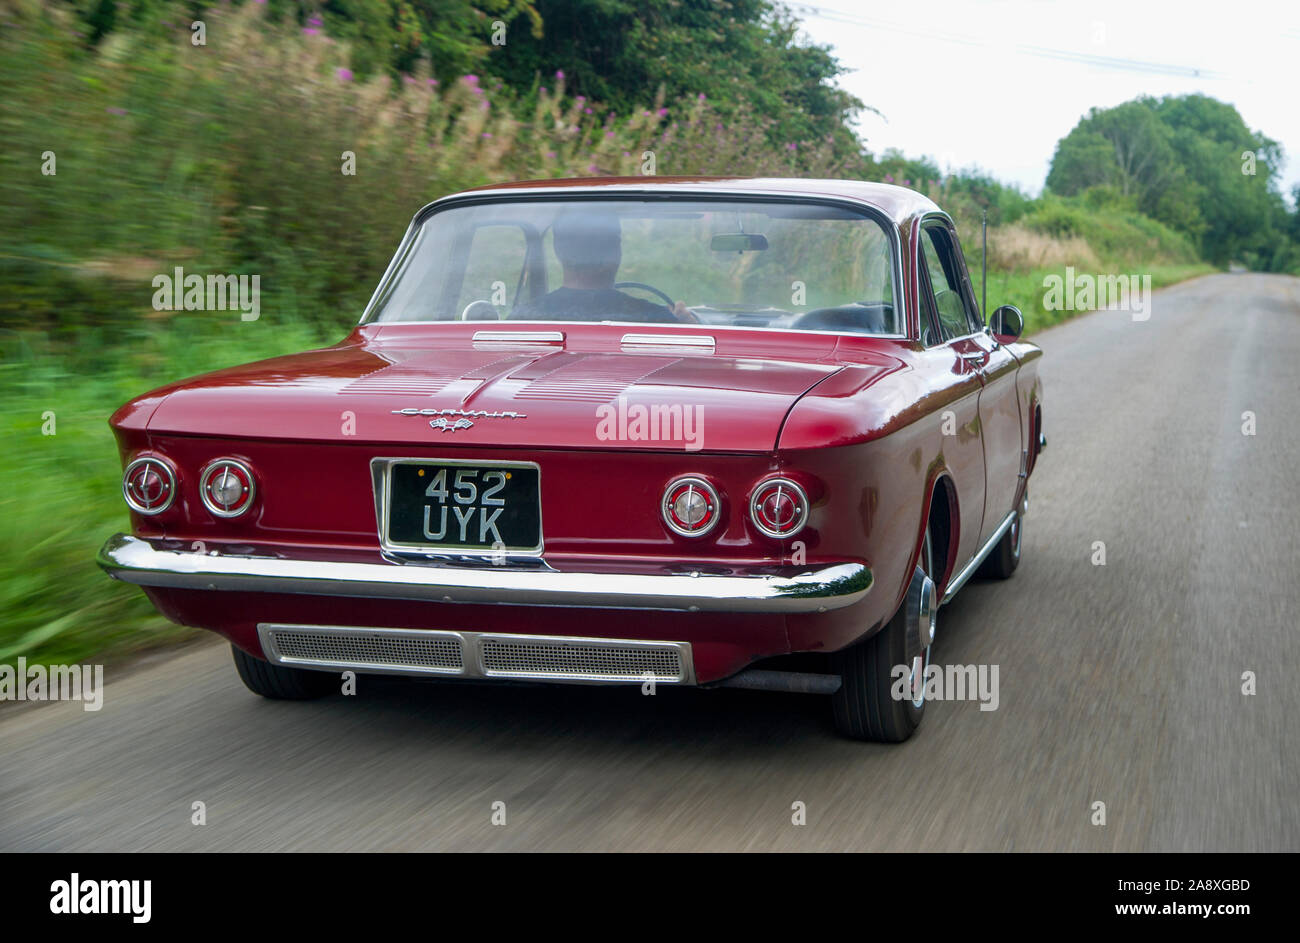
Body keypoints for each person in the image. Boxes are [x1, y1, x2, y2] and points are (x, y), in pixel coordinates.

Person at [512, 210, 695, 323]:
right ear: (615, 253)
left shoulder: (521, 318)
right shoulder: (657, 319)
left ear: (558, 250)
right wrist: (687, 325)